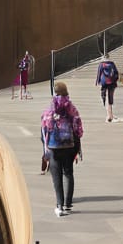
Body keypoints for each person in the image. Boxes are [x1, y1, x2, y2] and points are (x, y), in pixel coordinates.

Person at [41, 81, 84, 216]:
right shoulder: (72, 108)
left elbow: (45, 127)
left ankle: (59, 205)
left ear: (55, 93)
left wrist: (45, 147)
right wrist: (77, 143)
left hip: (54, 147)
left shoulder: (50, 109)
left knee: (56, 177)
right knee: (68, 173)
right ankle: (68, 204)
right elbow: (78, 128)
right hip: (69, 146)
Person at [95, 53, 120, 122]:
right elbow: (116, 72)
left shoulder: (101, 64)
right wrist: (115, 80)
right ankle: (110, 115)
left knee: (105, 98)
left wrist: (97, 82)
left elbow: (99, 73)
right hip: (112, 82)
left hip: (104, 82)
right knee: (110, 98)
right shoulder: (112, 64)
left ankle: (109, 115)